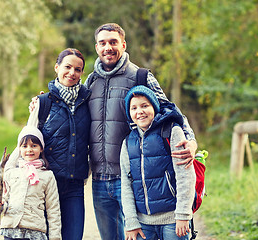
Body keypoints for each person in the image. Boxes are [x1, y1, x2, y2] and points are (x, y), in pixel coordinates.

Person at [84, 23, 197, 240]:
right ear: (97, 47)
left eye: (113, 42)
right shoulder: (91, 81)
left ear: (123, 44)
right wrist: (41, 103)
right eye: (103, 43)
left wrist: (190, 140)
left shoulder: (140, 76)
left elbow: (170, 109)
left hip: (131, 178)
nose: (108, 47)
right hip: (99, 179)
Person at [26, 48, 91, 240]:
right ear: (57, 67)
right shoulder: (42, 103)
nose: (72, 73)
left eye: (78, 69)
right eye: (67, 67)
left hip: (74, 185)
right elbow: (26, 143)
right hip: (46, 184)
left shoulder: (88, 101)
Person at [120, 85, 196, 240]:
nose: (139, 111)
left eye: (144, 106)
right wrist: (131, 221)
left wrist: (183, 214)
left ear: (154, 107)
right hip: (143, 224)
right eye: (134, 108)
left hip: (173, 219)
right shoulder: (128, 142)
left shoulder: (171, 132)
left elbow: (185, 176)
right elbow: (126, 184)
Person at [0, 125, 61, 240]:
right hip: (11, 231)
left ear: (41, 148)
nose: (29, 149)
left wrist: (55, 237)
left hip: (35, 232)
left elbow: (53, 209)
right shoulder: (11, 173)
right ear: (19, 149)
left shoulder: (47, 176)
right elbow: (5, 200)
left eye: (34, 146)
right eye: (24, 146)